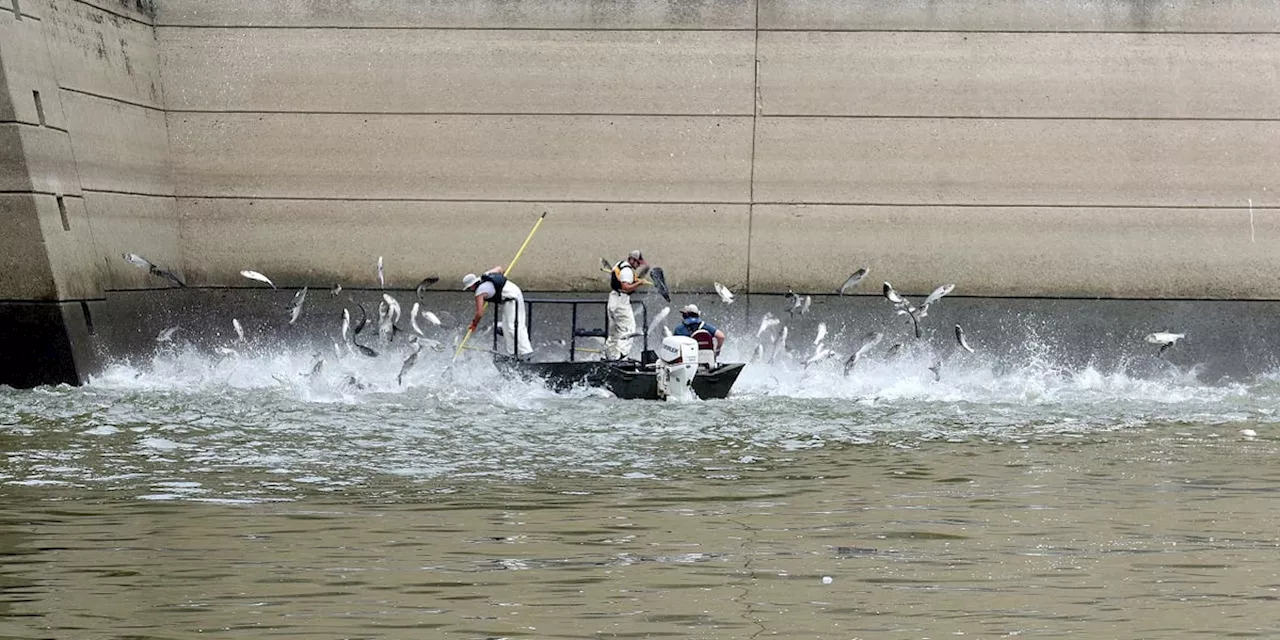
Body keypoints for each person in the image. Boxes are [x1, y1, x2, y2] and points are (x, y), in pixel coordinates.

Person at [462, 265, 533, 358]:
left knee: (513, 327)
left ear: (472, 286)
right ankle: (513, 354)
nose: (470, 290)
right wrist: (500, 277)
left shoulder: (479, 292)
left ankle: (527, 352)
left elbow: (479, 313)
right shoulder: (486, 275)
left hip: (513, 298)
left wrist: (474, 324)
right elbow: (499, 269)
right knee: (506, 327)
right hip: (507, 301)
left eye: (469, 288)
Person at [604, 249, 647, 360]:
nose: (638, 265)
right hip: (621, 301)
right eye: (637, 262)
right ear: (632, 260)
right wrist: (639, 283)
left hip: (613, 300)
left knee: (614, 331)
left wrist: (635, 280)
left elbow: (619, 279)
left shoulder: (619, 265)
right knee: (629, 329)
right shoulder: (627, 271)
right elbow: (625, 287)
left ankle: (609, 355)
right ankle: (622, 356)